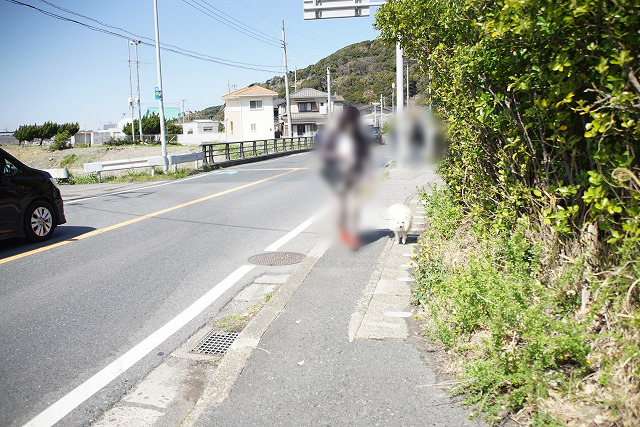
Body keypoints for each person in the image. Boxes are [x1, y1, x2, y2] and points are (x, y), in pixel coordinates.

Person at [319, 106, 371, 250]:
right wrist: (338, 156)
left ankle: (352, 236)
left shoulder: (359, 136)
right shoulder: (334, 135)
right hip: (336, 175)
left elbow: (365, 157)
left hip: (354, 175)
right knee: (339, 207)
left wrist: (369, 177)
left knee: (354, 207)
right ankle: (343, 231)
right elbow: (324, 154)